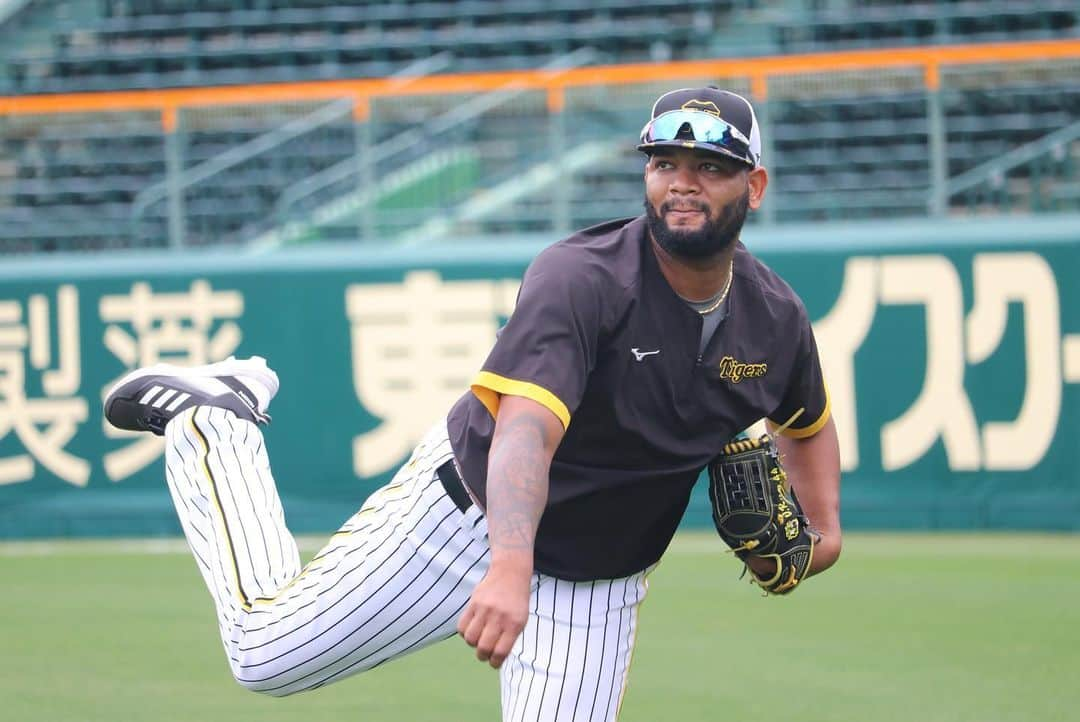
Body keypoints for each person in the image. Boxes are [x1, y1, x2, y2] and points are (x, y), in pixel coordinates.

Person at [105, 86, 841, 722]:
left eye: (711, 167)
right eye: (664, 164)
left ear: (755, 185)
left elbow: (805, 426)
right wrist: (510, 566)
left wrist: (823, 538)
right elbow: (527, 429)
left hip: (599, 581)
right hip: (467, 519)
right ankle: (217, 420)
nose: (683, 183)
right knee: (264, 656)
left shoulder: (776, 319)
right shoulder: (582, 278)